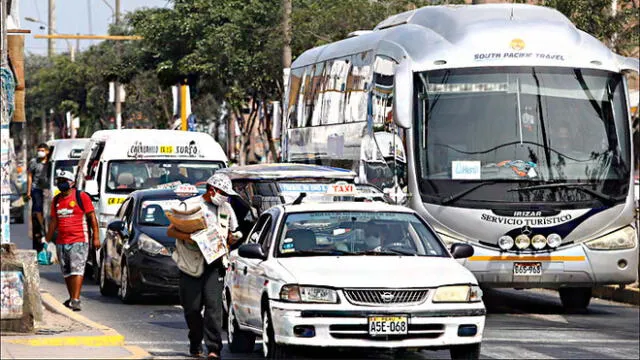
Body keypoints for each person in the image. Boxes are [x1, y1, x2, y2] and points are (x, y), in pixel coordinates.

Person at [167, 173, 242, 359]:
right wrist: (192, 238)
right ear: (212, 190)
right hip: (191, 264)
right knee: (192, 308)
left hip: (215, 264)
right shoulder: (190, 206)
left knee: (213, 308)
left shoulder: (227, 209)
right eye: (223, 192)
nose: (225, 196)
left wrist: (232, 238)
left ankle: (214, 348)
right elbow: (171, 231)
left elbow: (234, 232)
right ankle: (195, 342)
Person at [45, 170, 100, 312]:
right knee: (67, 271)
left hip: (79, 239)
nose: (61, 183)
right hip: (62, 241)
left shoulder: (81, 197)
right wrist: (47, 241)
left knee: (77, 269)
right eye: (59, 181)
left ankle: (76, 299)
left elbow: (92, 218)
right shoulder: (56, 200)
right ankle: (71, 298)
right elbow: (53, 222)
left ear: (72, 183)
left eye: (64, 180)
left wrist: (96, 237)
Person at [26, 143, 51, 252]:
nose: (40, 152)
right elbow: (30, 176)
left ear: (47, 151)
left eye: (42, 150)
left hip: (48, 189)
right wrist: (28, 190)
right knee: (37, 209)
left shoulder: (50, 162)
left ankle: (46, 224)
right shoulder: (33, 162)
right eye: (38, 150)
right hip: (36, 188)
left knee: (47, 210)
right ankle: (42, 227)